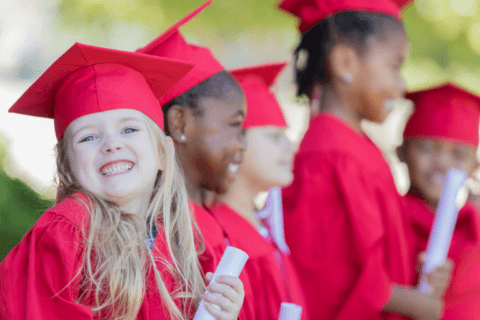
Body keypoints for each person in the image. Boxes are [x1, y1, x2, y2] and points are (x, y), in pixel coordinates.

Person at [0, 43, 244, 320]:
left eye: (129, 129)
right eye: (88, 137)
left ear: (163, 153)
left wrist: (223, 314)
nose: (111, 145)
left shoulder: (185, 240)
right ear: (66, 169)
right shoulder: (68, 232)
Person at [278, 0, 452, 319]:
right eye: (394, 66)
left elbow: (369, 254)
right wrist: (412, 303)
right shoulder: (327, 154)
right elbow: (325, 277)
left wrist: (418, 271)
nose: (402, 86)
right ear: (345, 62)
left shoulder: (355, 145)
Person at [137, 2, 250, 318]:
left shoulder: (201, 221)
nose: (243, 145)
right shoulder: (174, 235)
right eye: (234, 125)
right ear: (180, 124)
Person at [209, 63, 309, 320]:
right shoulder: (221, 237)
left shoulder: (266, 232)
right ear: (235, 143)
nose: (291, 146)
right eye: (274, 136)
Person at [398, 83, 480, 319]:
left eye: (459, 154)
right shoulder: (385, 220)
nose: (442, 163)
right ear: (402, 151)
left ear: (475, 167)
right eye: (426, 148)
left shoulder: (474, 230)